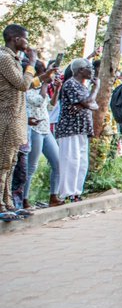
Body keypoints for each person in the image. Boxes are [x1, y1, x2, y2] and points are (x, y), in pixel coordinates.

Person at [1, 25, 39, 221]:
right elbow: (23, 84)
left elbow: (27, 83)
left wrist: (43, 78)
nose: (28, 43)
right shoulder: (5, 58)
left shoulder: (14, 59)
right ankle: (1, 204)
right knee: (4, 162)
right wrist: (32, 62)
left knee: (12, 162)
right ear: (15, 39)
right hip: (6, 118)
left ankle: (8, 202)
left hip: (16, 118)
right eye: (25, 39)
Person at [54, 58, 97, 203]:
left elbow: (93, 104)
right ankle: (67, 193)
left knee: (81, 161)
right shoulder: (71, 84)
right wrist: (94, 91)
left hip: (82, 128)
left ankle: (76, 192)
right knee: (70, 160)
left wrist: (85, 104)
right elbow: (88, 102)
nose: (92, 71)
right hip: (70, 129)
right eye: (89, 68)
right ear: (80, 70)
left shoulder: (83, 86)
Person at [26, 61, 62, 207]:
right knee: (31, 166)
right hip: (34, 130)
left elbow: (50, 106)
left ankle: (54, 196)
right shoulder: (27, 89)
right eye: (43, 72)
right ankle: (24, 199)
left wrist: (57, 89)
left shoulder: (41, 88)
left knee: (58, 162)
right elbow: (39, 101)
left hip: (45, 130)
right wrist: (46, 84)